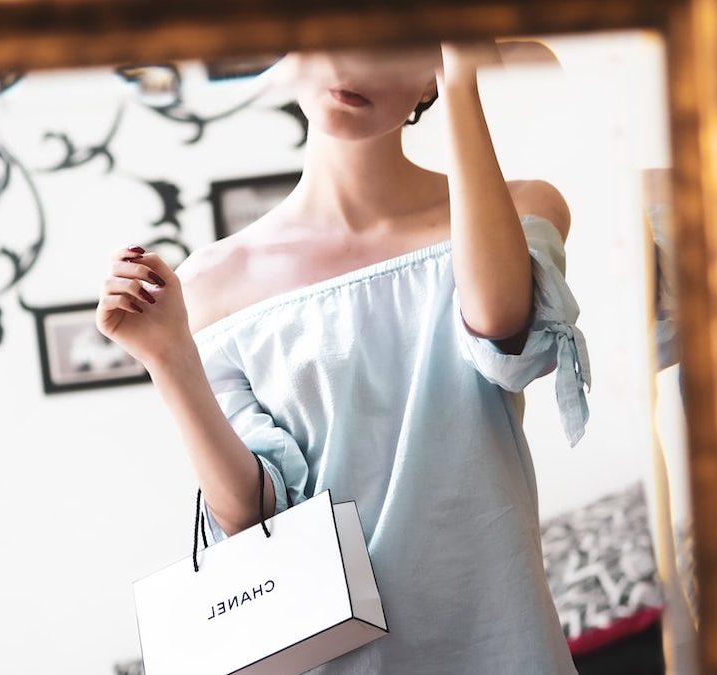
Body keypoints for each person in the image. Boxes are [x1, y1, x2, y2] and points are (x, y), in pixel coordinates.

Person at [96, 40, 590, 674]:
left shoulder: (524, 207)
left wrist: (463, 83)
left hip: (497, 638)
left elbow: (500, 330)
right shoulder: (214, 280)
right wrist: (167, 358)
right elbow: (252, 512)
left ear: (430, 78)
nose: (351, 63)